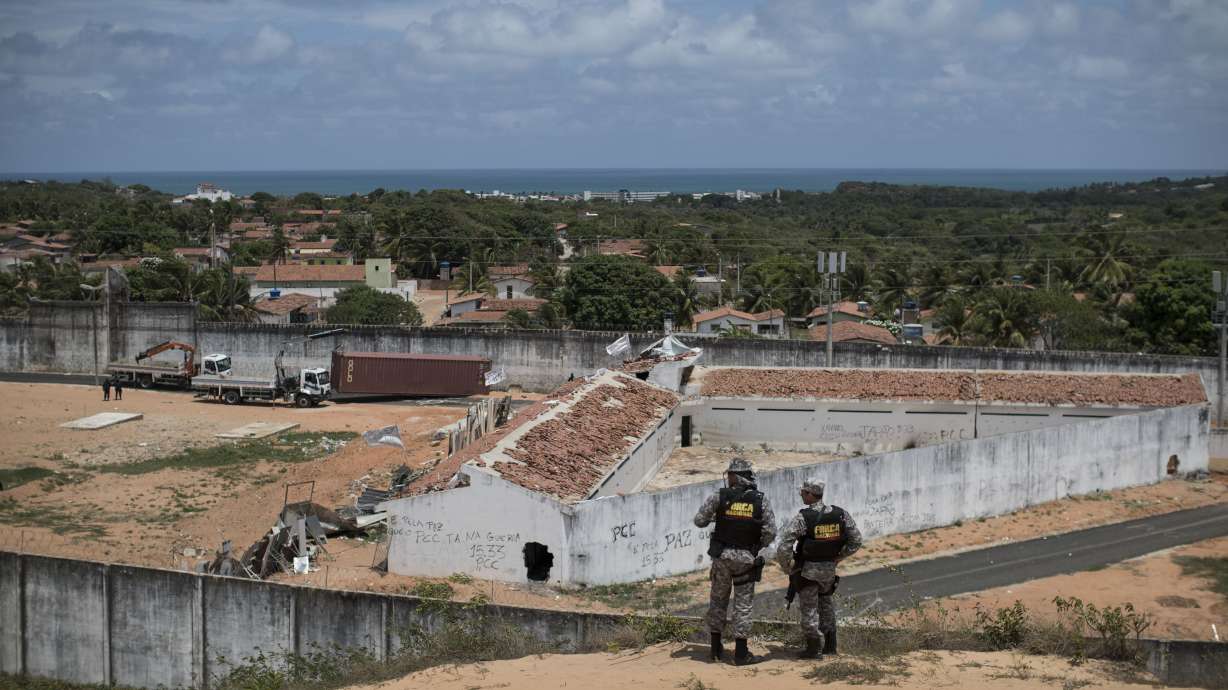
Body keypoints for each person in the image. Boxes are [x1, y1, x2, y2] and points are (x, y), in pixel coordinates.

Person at [694, 457, 776, 665]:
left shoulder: (719, 497)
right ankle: (741, 653)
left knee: (718, 601)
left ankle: (714, 650)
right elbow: (770, 533)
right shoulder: (760, 500)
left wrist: (720, 517)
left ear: (735, 476)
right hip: (746, 560)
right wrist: (755, 545)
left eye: (729, 474)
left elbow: (699, 521)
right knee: (743, 605)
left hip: (722, 558)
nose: (727, 477)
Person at [775, 479, 862, 659]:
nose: (801, 494)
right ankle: (830, 647)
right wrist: (839, 557)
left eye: (803, 492)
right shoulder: (840, 514)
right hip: (829, 571)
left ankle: (813, 649)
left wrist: (788, 567)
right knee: (826, 606)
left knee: (809, 610)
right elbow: (856, 540)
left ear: (810, 494)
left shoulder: (804, 517)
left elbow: (784, 546)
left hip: (808, 571)